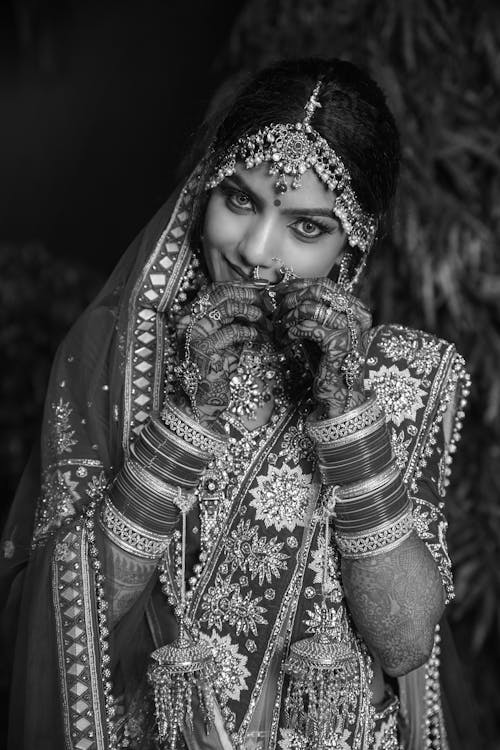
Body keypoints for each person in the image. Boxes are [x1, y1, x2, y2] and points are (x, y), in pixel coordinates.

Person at [1, 58, 471, 750]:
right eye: (241, 201)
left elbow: (403, 646)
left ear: (355, 243)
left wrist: (344, 417)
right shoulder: (118, 353)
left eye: (307, 227)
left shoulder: (410, 374)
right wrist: (186, 421)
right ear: (204, 191)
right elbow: (60, 622)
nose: (256, 250)